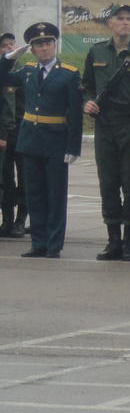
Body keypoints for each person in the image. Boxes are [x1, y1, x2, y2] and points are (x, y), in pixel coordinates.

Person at [0, 22, 83, 258]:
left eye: (48, 43)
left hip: (56, 142)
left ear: (54, 45)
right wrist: (8, 57)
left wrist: (73, 146)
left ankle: (53, 245)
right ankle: (38, 242)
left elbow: (75, 114)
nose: (44, 48)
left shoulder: (68, 74)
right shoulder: (27, 71)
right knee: (34, 195)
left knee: (55, 196)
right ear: (33, 49)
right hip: (31, 141)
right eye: (38, 44)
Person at [81, 4, 130, 261]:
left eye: (129, 19)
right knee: (109, 184)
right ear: (110, 23)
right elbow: (87, 85)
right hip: (105, 126)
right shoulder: (96, 51)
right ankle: (113, 239)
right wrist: (87, 102)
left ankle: (129, 242)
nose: (125, 22)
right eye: (120, 18)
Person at [0, 31, 24, 238]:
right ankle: (7, 219)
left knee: (25, 177)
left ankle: (20, 221)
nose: (9, 48)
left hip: (23, 131)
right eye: (4, 46)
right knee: (5, 178)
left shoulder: (26, 71)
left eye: (11, 44)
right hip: (4, 133)